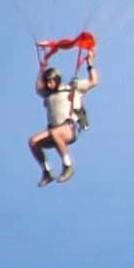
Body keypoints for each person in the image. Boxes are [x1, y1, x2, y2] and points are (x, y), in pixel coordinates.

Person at [30, 46, 98, 186]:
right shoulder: (48, 94)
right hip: (54, 131)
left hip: (69, 128)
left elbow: (94, 81)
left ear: (57, 79)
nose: (49, 84)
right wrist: (42, 67)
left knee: (55, 133)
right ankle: (47, 172)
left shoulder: (72, 88)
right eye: (47, 82)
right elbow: (38, 88)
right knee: (33, 141)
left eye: (51, 81)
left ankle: (68, 165)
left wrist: (90, 63)